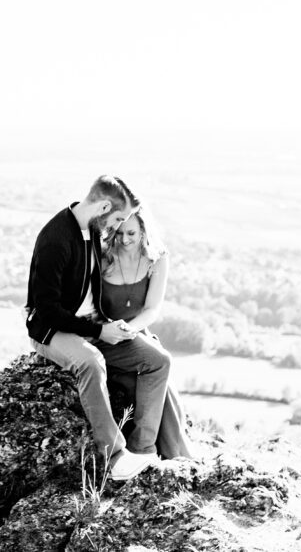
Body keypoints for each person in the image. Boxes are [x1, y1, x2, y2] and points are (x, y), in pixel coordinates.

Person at [26, 175, 170, 481]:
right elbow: (47, 310)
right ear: (103, 206)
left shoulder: (91, 229)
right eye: (118, 218)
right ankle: (115, 459)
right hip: (52, 330)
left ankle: (141, 450)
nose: (118, 227)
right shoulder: (56, 239)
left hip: (93, 325)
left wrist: (111, 326)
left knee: (158, 361)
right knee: (91, 363)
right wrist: (98, 332)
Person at [100, 203, 193, 460]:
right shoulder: (103, 255)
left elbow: (152, 308)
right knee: (145, 384)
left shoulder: (158, 257)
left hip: (136, 333)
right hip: (105, 334)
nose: (124, 239)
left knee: (164, 393)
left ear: (143, 229)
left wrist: (131, 329)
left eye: (131, 233)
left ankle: (162, 454)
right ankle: (142, 450)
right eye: (118, 233)